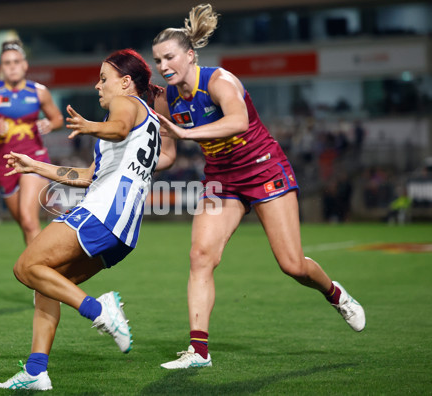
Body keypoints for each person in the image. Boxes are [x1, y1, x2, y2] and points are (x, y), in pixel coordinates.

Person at [151, 4, 366, 369]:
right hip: (222, 178)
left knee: (293, 265)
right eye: (157, 60)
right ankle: (199, 351)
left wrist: (188, 133)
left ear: (189, 55)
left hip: (264, 169)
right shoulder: (165, 98)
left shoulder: (220, 81)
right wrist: (127, 169)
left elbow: (238, 120)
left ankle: (336, 294)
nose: (163, 66)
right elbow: (168, 156)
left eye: (169, 57)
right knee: (201, 256)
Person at [0, 49, 162, 391]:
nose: (97, 86)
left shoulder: (125, 104)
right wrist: (35, 166)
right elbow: (89, 175)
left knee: (26, 268)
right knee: (46, 283)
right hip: (123, 232)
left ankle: (99, 311)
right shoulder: (151, 119)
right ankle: (35, 370)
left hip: (102, 214)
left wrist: (91, 127)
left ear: (126, 82)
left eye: (103, 78)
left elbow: (117, 127)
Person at [0, 38, 64, 245]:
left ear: (25, 65)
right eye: (7, 63)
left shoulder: (38, 91)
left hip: (33, 159)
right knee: (24, 222)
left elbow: (58, 119)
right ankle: (40, 266)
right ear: (2, 68)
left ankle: (42, 267)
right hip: (4, 164)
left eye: (16, 62)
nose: (12, 67)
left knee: (29, 220)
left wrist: (49, 124)